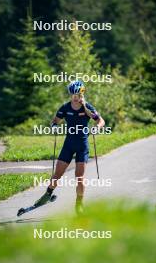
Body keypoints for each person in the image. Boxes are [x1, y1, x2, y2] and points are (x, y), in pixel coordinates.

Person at [34, 80, 105, 214]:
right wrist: (54, 127)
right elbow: (55, 121)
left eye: (77, 94)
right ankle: (48, 194)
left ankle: (79, 204)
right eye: (72, 94)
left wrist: (97, 128)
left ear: (82, 93)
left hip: (82, 146)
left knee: (79, 176)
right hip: (69, 145)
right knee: (57, 175)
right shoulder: (65, 107)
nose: (74, 97)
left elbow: (100, 120)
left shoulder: (88, 107)